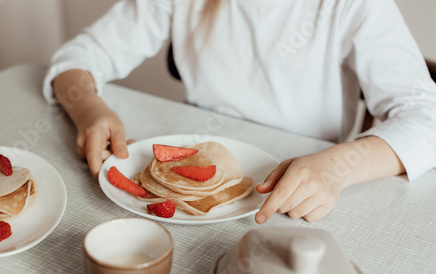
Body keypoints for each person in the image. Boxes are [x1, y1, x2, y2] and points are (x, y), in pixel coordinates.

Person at [43, 0, 436, 223]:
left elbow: (427, 117)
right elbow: (78, 59)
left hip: (296, 202)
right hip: (187, 197)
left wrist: (338, 168)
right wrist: (89, 107)